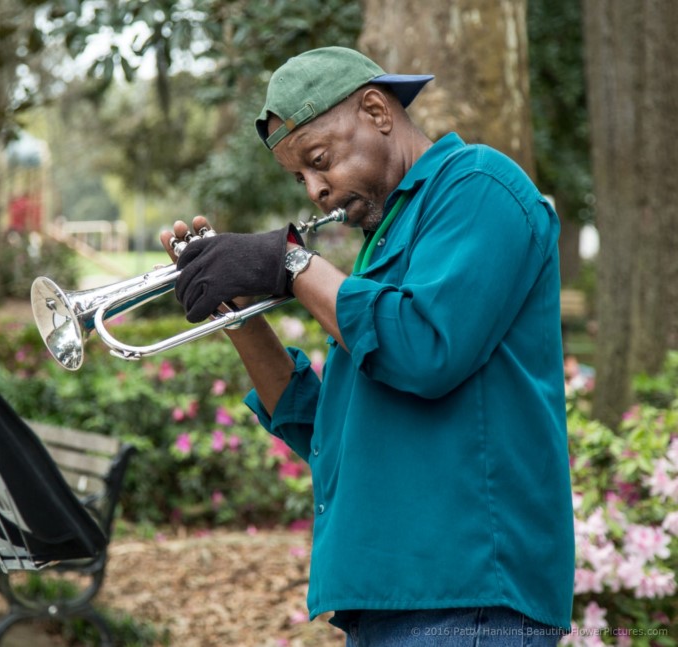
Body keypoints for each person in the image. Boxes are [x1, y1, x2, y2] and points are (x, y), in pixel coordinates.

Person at [160, 47, 574, 645]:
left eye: (319, 160)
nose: (316, 191)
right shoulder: (384, 241)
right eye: (300, 178)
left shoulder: (480, 186)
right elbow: (328, 435)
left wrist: (290, 262)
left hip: (468, 593)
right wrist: (237, 312)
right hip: (391, 595)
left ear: (378, 109)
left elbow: (426, 349)